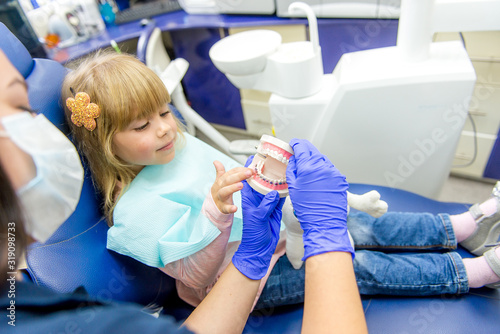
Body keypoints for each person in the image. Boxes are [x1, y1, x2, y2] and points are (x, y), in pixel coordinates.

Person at [0, 48, 367, 333]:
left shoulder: (177, 148)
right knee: (364, 265)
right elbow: (195, 279)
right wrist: (217, 214)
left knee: (368, 225)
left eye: (164, 112)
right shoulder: (134, 214)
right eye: (142, 124)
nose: (164, 129)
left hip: (284, 240)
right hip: (246, 282)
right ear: (106, 144)